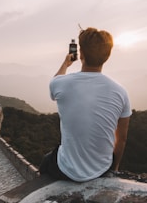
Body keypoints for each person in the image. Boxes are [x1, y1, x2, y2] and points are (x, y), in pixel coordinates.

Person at [40, 27, 131, 182]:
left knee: (45, 162)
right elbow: (121, 139)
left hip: (65, 169)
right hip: (102, 169)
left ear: (81, 54)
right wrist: (114, 169)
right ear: (107, 56)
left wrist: (65, 64)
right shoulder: (120, 92)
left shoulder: (60, 83)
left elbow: (54, 83)